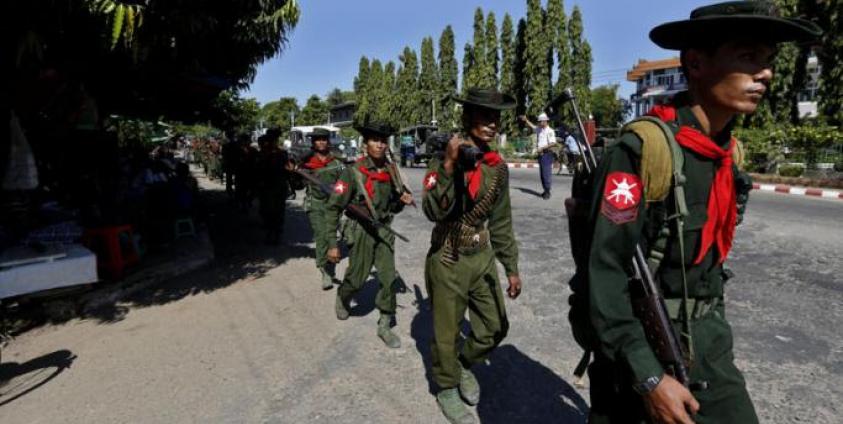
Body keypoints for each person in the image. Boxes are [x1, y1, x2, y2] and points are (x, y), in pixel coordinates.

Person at [573, 2, 821, 423]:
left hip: (707, 345)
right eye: (748, 57)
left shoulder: (726, 154)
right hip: (637, 347)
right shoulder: (641, 153)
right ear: (697, 63)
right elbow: (606, 272)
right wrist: (648, 377)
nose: (765, 73)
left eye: (768, 60)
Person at [423, 88, 522, 424]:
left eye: (496, 118)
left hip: (481, 257)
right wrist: (450, 165)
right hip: (449, 256)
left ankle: (463, 364)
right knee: (446, 333)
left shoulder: (497, 168)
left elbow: (502, 220)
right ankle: (446, 386)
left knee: (495, 326)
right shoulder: (442, 160)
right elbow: (432, 210)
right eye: (484, 117)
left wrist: (511, 266)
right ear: (467, 119)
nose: (492, 124)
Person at [325, 121, 414, 348]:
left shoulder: (391, 171)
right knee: (356, 279)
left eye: (383, 141)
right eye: (375, 140)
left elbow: (392, 206)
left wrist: (402, 201)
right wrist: (332, 244)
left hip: (384, 230)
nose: (380, 145)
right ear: (366, 143)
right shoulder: (352, 171)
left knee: (387, 279)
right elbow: (333, 207)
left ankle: (384, 324)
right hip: (361, 231)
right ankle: (343, 297)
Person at [298, 128, 345, 290]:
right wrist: (295, 172)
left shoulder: (336, 161)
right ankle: (325, 271)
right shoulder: (306, 162)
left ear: (328, 141)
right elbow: (297, 184)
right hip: (316, 204)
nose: (321, 142)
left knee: (333, 235)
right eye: (318, 139)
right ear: (313, 142)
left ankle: (330, 262)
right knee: (322, 236)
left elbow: (345, 183)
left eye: (324, 139)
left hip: (334, 204)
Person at [255, 129, 292, 245]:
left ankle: (276, 234)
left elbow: (288, 171)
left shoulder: (282, 153)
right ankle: (271, 232)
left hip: (278, 186)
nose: (273, 142)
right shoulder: (263, 153)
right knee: (267, 210)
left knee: (278, 211)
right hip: (266, 186)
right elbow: (256, 170)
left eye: (274, 139)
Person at [520, 112, 556, 199]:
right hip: (541, 155)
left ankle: (547, 191)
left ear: (545, 121)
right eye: (539, 121)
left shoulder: (550, 131)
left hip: (546, 154)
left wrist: (542, 148)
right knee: (542, 174)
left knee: (546, 174)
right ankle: (545, 190)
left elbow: (553, 143)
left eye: (541, 121)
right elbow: (533, 126)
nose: (540, 123)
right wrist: (526, 120)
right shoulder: (540, 129)